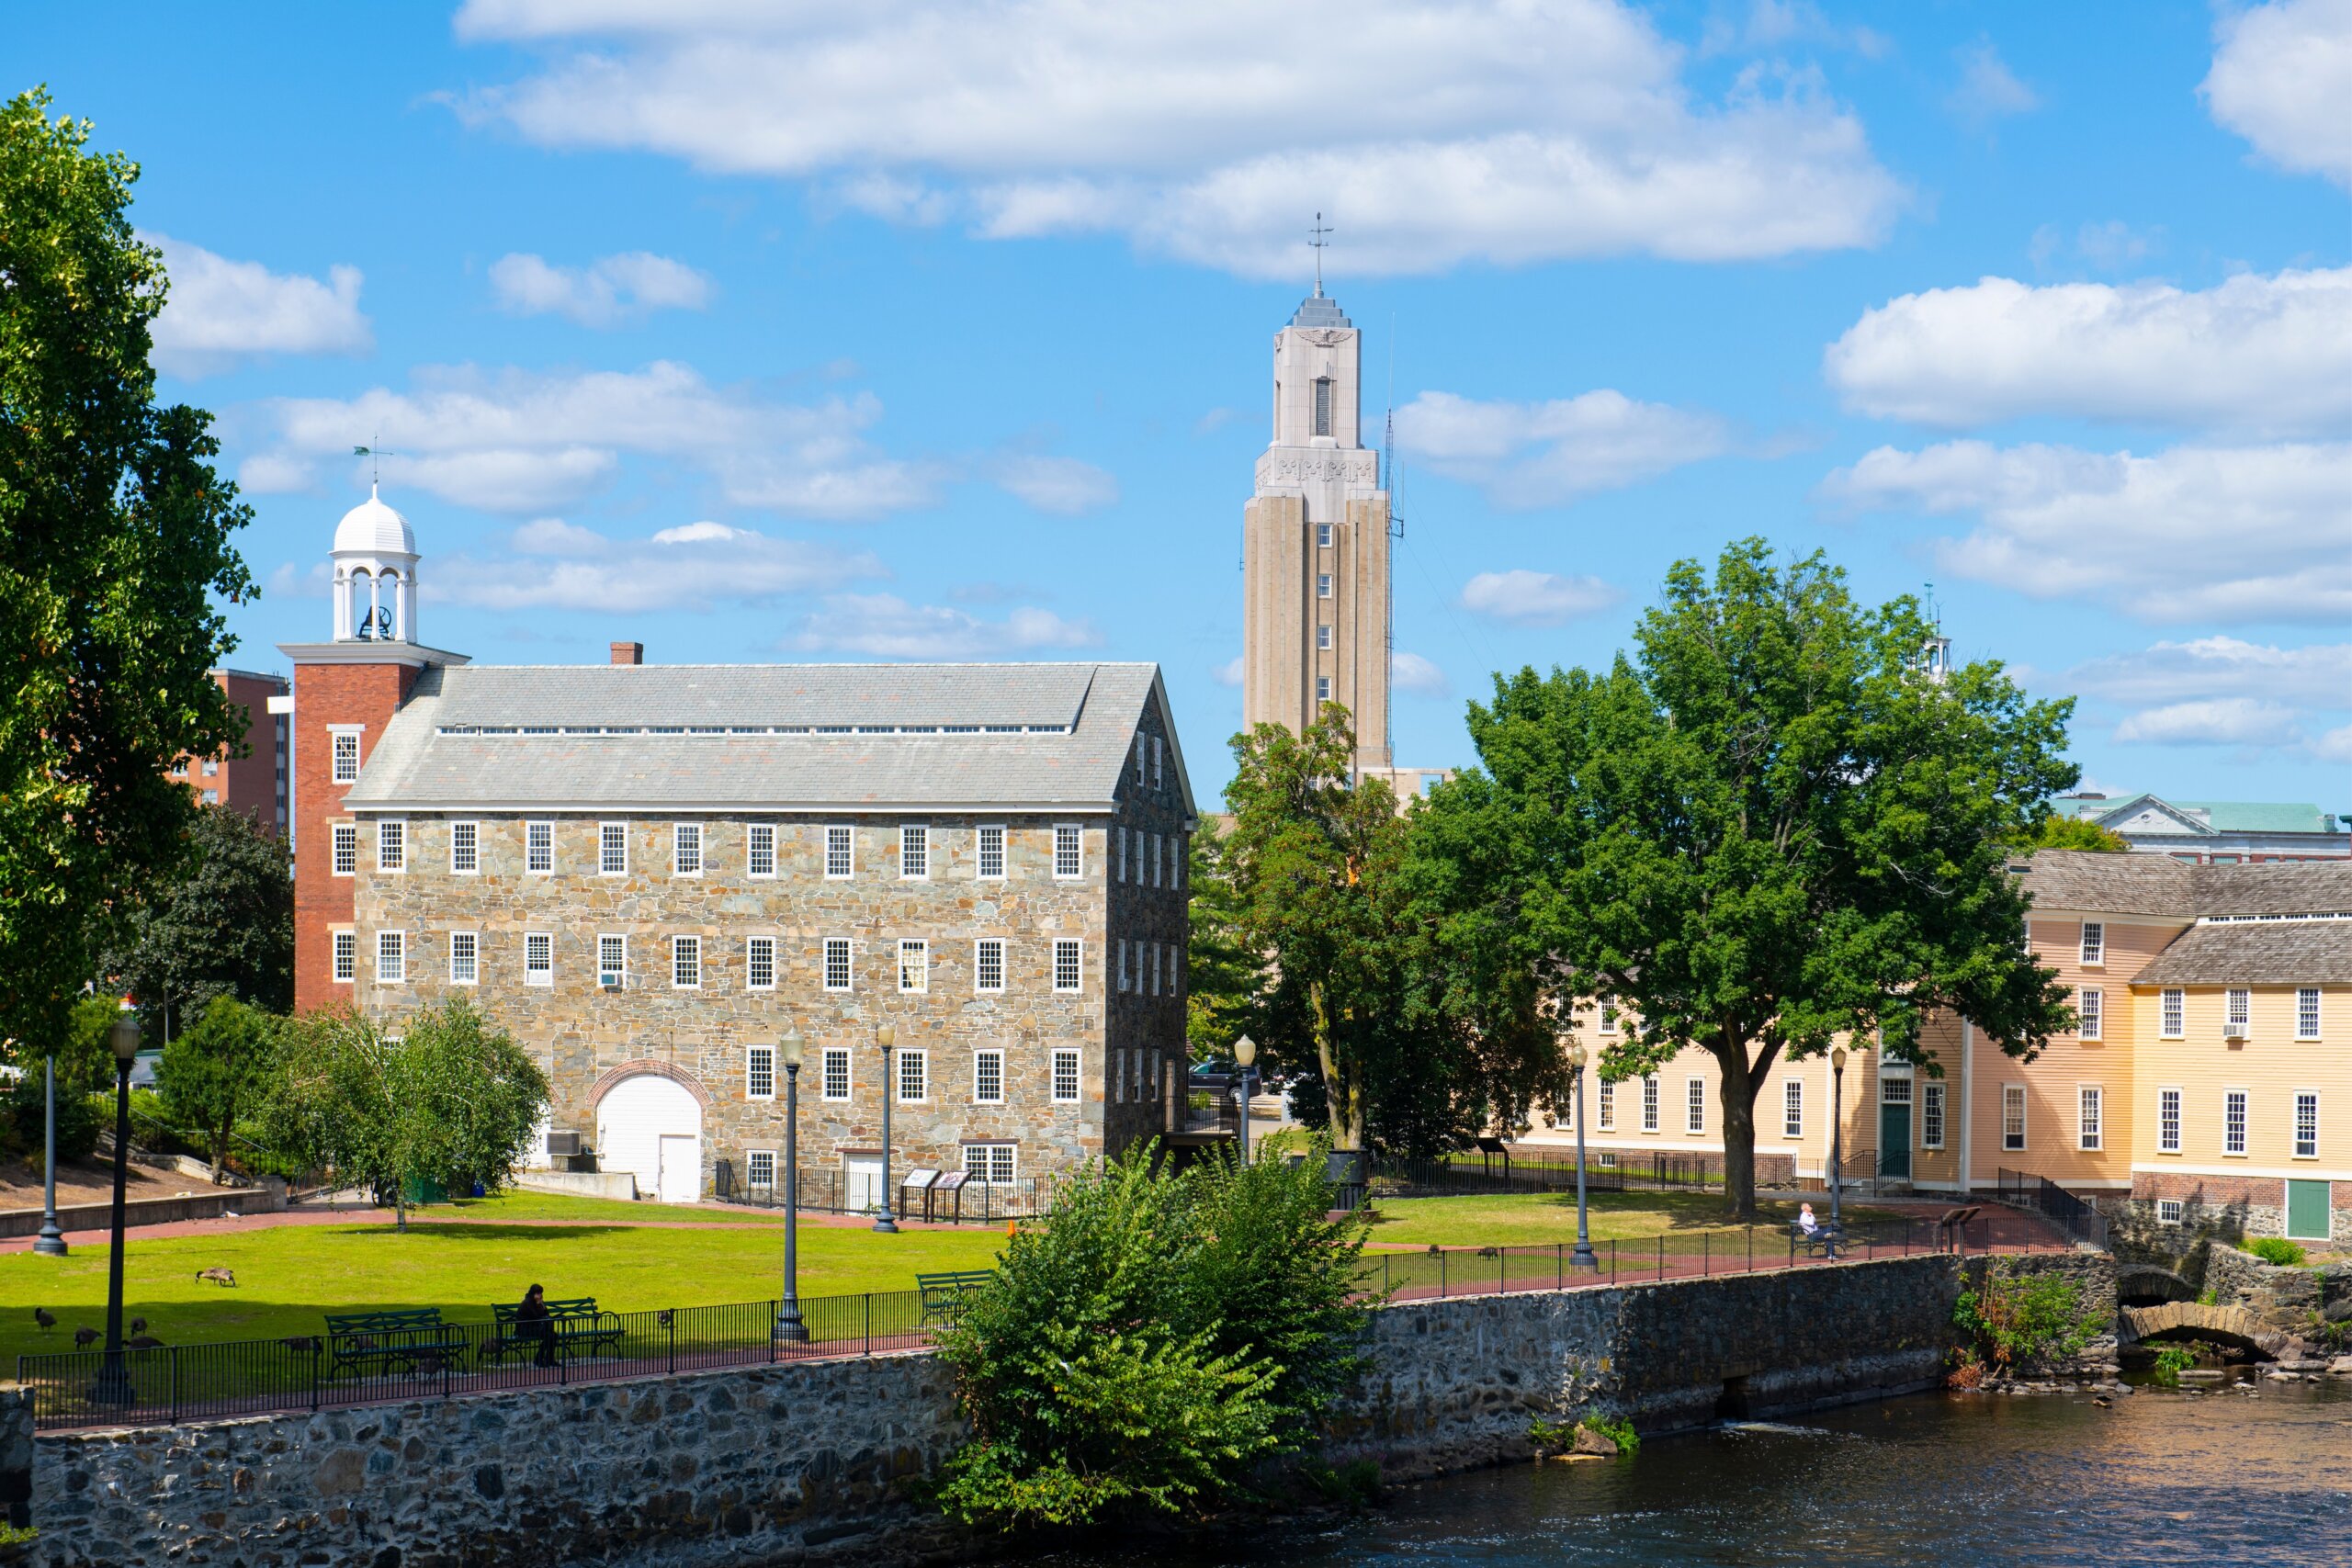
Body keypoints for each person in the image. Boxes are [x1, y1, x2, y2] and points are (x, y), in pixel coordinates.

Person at [516, 1283, 556, 1369]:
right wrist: (539, 1303)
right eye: (538, 1293)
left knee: (554, 1335)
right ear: (533, 1293)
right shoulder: (528, 1302)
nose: (540, 1295)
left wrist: (542, 1304)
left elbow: (546, 1314)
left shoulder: (538, 1302)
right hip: (525, 1329)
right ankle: (538, 1359)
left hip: (535, 1327)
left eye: (540, 1293)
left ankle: (550, 1359)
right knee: (549, 1336)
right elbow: (536, 1316)